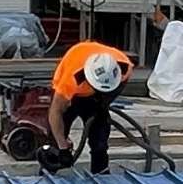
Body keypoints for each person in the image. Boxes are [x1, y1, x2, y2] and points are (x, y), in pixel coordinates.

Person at [46, 39, 133, 175]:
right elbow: (55, 112)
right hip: (74, 92)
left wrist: (103, 103)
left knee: (100, 138)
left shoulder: (124, 67)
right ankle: (50, 169)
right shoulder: (71, 80)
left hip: (98, 97)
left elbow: (120, 86)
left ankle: (101, 172)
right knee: (56, 137)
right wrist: (62, 146)